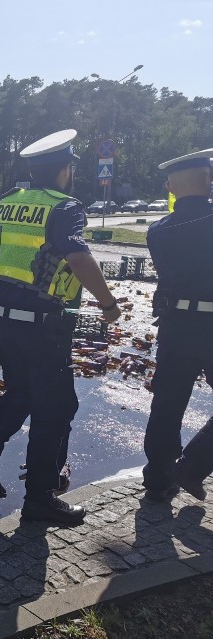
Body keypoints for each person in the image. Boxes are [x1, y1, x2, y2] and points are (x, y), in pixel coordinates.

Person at [0, 129, 122, 525]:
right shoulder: (65, 208)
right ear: (65, 170)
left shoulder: (8, 203)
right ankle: (40, 499)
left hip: (5, 323)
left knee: (21, 395)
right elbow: (79, 259)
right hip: (42, 329)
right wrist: (109, 305)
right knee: (56, 409)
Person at [142, 149, 213, 502]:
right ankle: (194, 465)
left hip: (176, 324)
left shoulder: (158, 231)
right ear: (208, 179)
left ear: (172, 185)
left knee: (167, 403)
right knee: (167, 402)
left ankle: (157, 477)